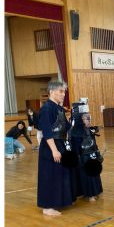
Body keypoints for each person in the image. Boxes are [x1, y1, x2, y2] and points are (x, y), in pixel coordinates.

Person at [36, 80, 73, 217]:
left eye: (64, 92)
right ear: (51, 92)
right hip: (50, 146)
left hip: (60, 143)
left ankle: (58, 201)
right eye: (61, 91)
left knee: (59, 175)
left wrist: (73, 118)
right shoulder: (47, 109)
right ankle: (47, 207)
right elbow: (47, 131)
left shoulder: (59, 108)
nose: (63, 94)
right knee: (49, 176)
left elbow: (66, 127)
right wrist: (54, 150)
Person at [70, 109, 103, 202]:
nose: (89, 121)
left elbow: (93, 144)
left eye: (89, 119)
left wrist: (97, 154)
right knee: (86, 174)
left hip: (91, 156)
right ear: (80, 120)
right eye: (86, 119)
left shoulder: (89, 130)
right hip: (83, 158)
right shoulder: (76, 133)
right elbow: (75, 149)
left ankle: (95, 191)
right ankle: (88, 194)